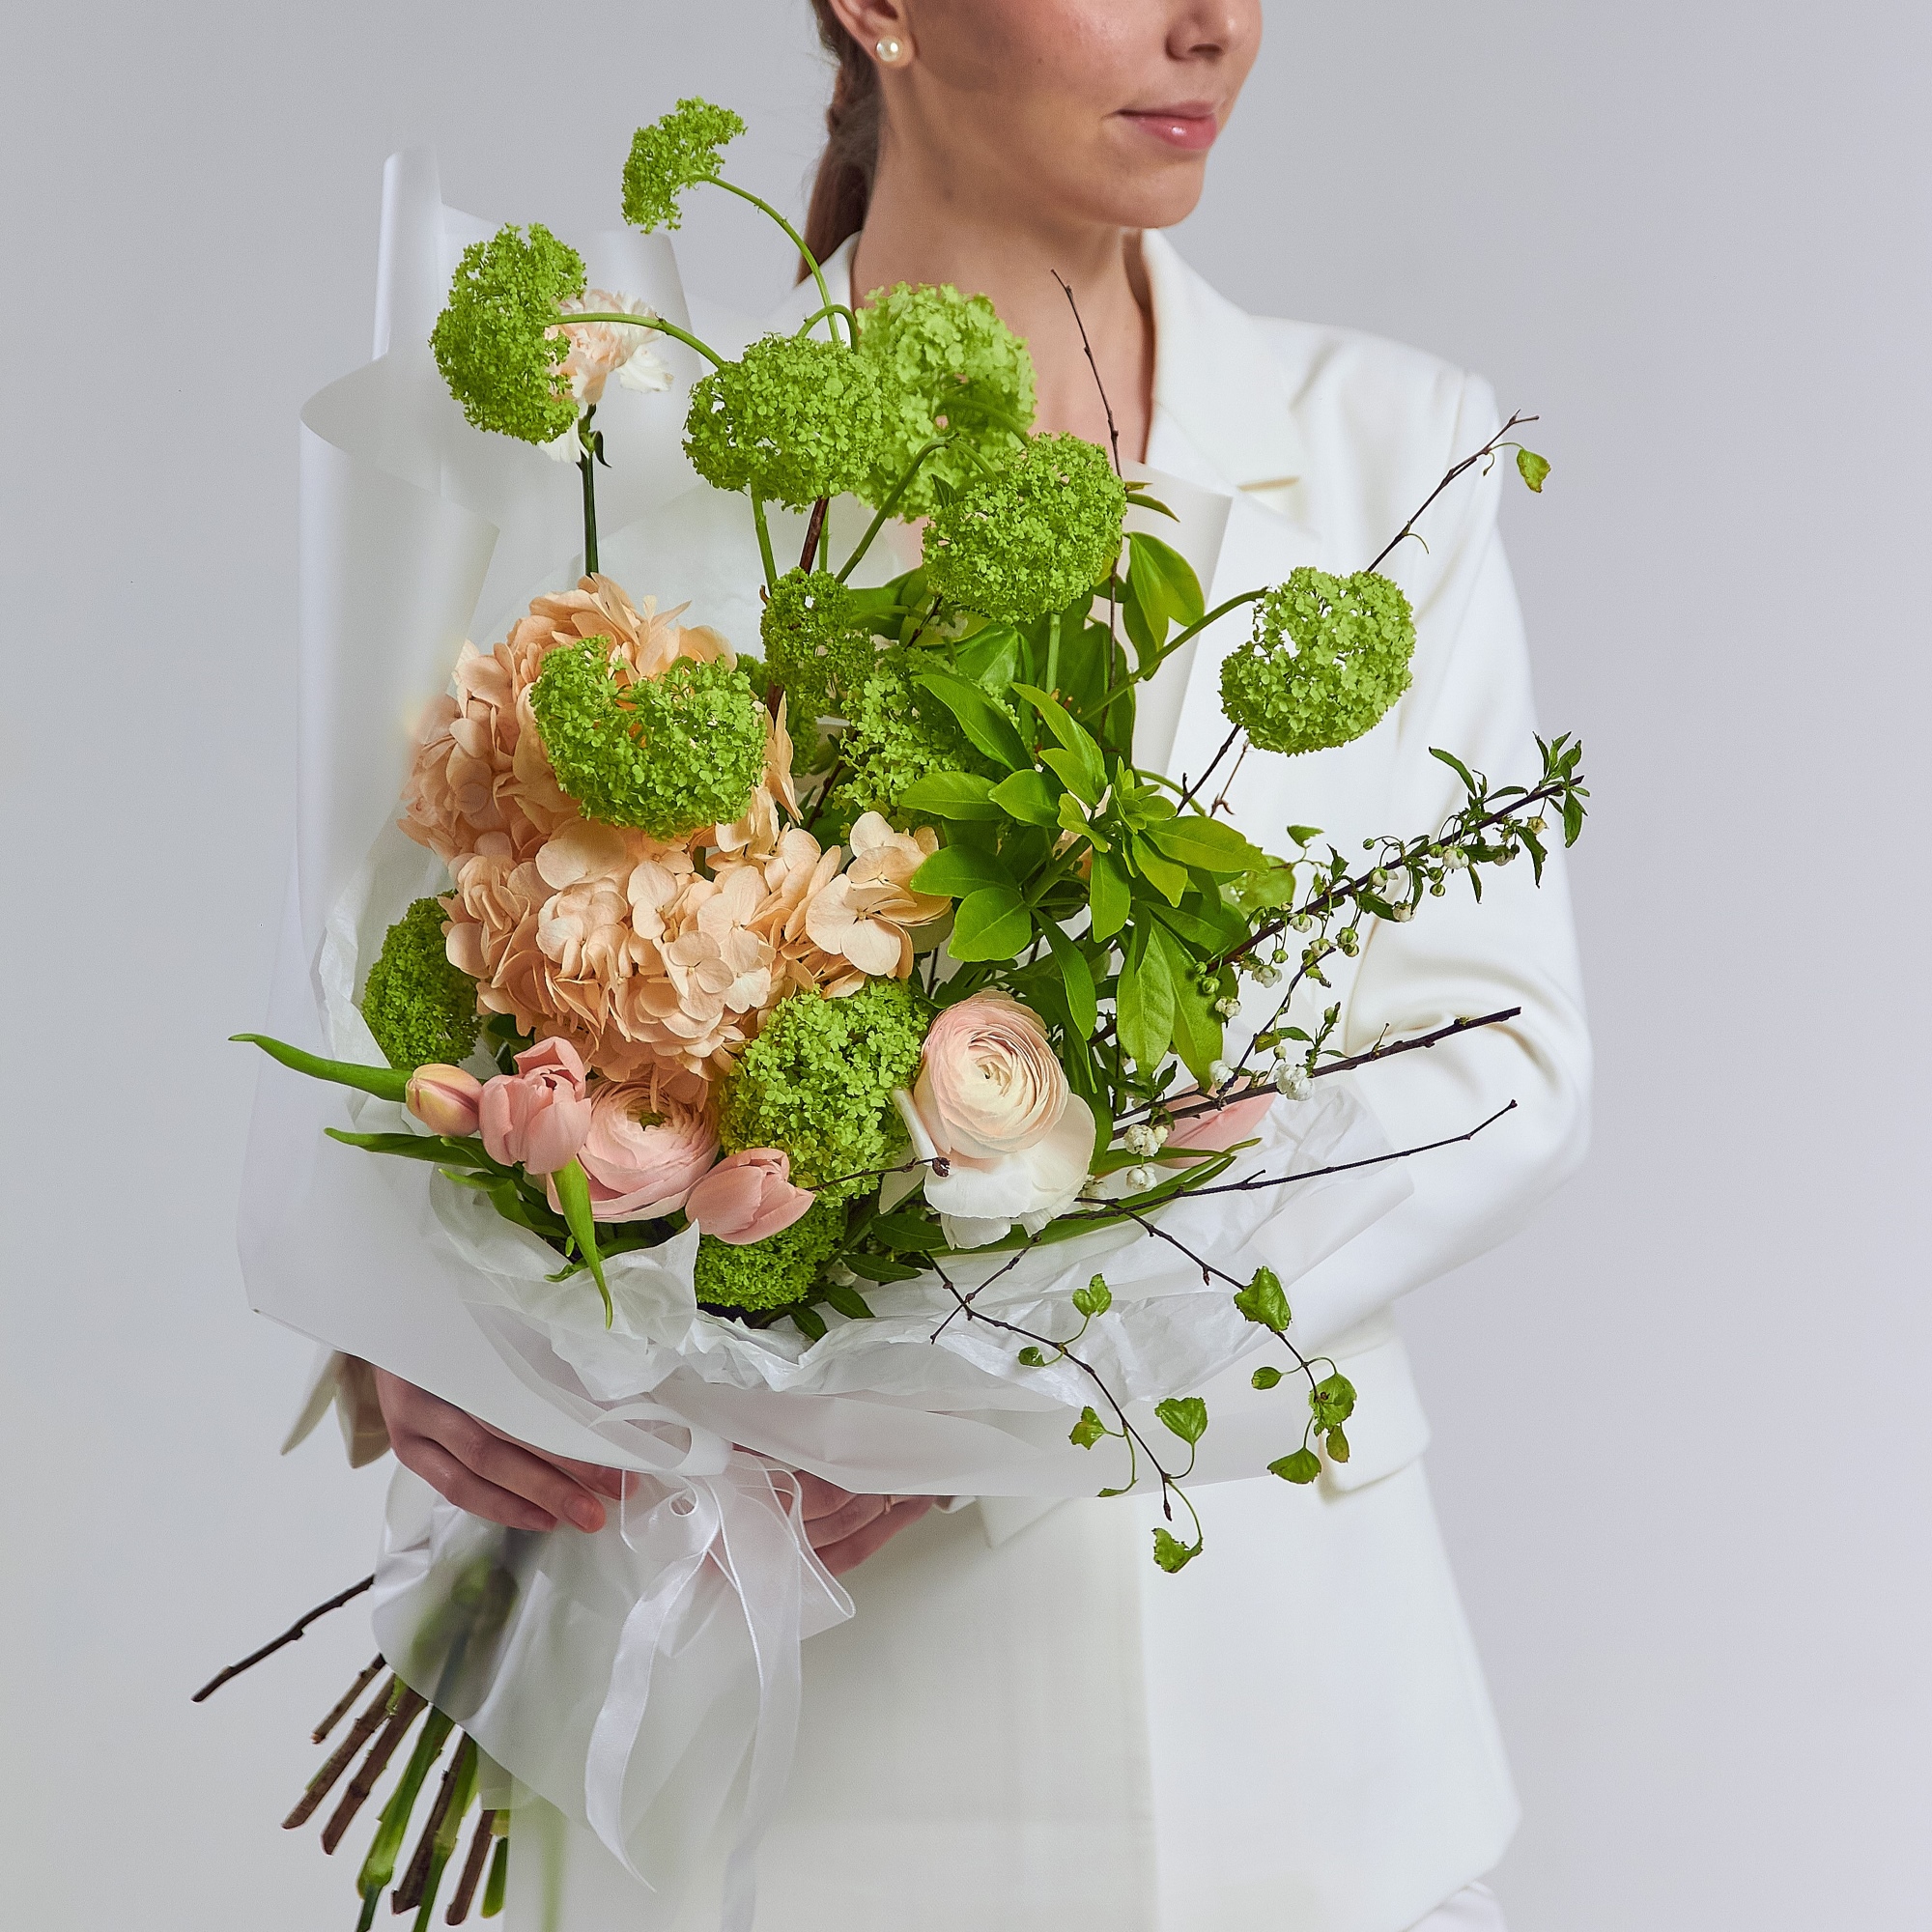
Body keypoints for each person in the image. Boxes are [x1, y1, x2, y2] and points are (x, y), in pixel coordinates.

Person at [361, 3, 1590, 1927]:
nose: (1214, 24)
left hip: (1256, 1713)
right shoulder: (627, 448)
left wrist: (984, 1385)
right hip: (750, 1717)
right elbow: (419, 1005)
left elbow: (1491, 1061)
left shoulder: (1385, 455)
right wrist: (414, 1338)